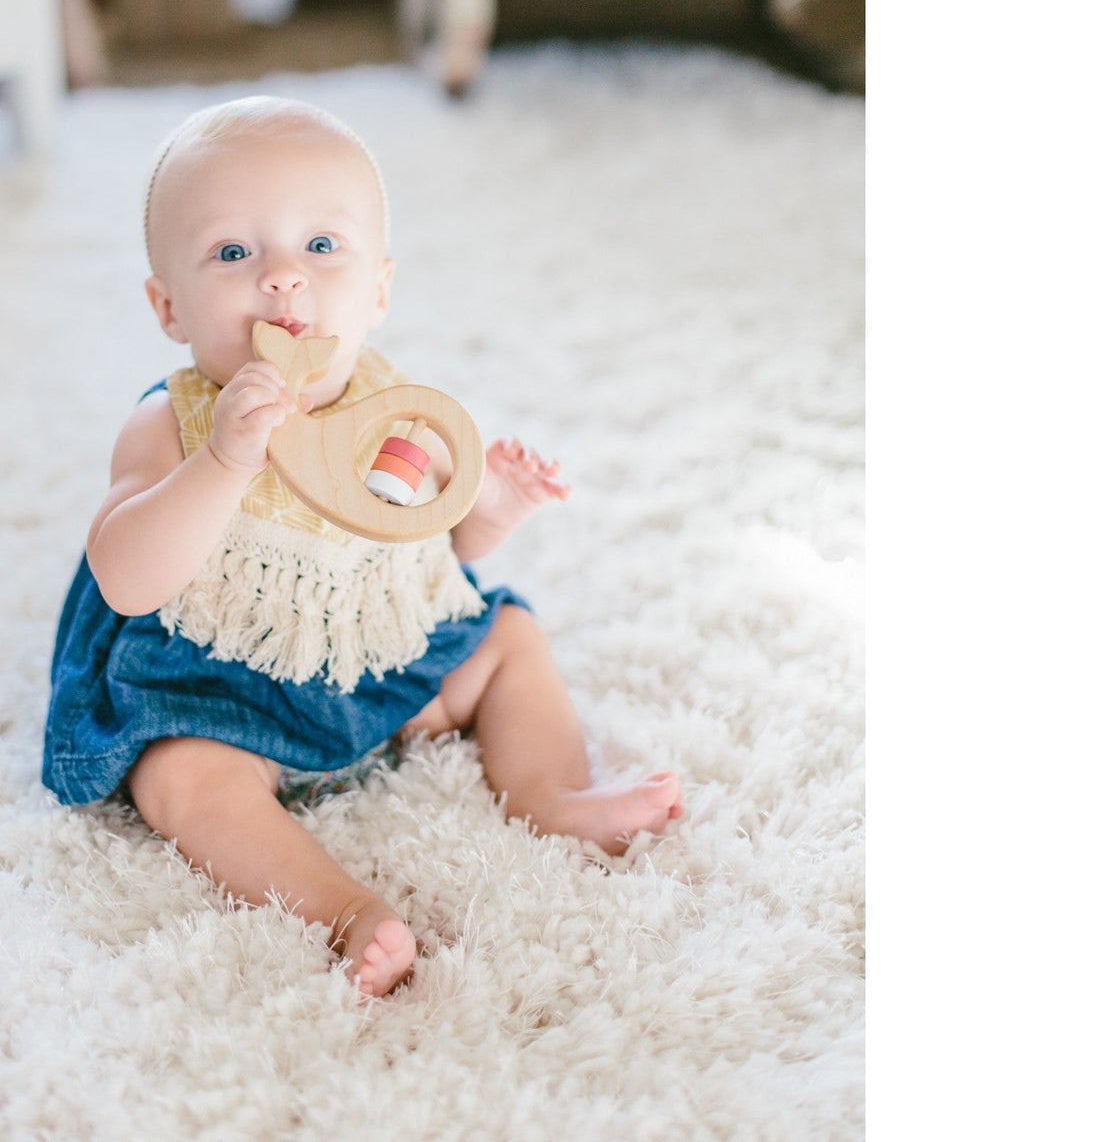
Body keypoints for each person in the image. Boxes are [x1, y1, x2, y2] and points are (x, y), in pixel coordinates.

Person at [43, 96, 683, 998]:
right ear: (168, 307)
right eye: (233, 253)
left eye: (320, 245)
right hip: (223, 688)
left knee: (510, 638)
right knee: (177, 779)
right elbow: (126, 578)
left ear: (378, 290)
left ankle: (550, 794)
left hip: (381, 664)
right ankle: (344, 911)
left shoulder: (393, 409)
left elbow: (435, 545)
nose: (282, 279)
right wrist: (224, 461)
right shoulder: (172, 424)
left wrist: (493, 509)